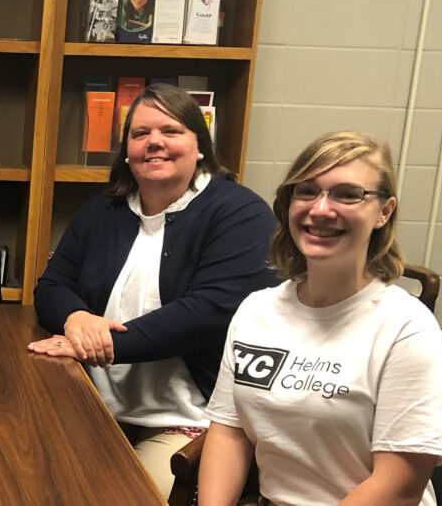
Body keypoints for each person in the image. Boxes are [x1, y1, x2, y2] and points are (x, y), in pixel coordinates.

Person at [27, 83, 278, 495]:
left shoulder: (240, 213)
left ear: (200, 146)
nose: (154, 142)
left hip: (188, 419)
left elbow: (208, 312)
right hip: (91, 405)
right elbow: (52, 285)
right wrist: (77, 319)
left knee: (119, 497)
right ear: (127, 152)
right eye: (140, 134)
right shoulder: (100, 213)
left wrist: (101, 343)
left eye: (171, 131)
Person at [200, 132, 442, 506]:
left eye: (348, 194)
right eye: (307, 191)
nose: (320, 209)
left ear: (385, 212)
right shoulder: (256, 311)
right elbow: (230, 432)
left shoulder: (407, 329)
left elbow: (399, 486)